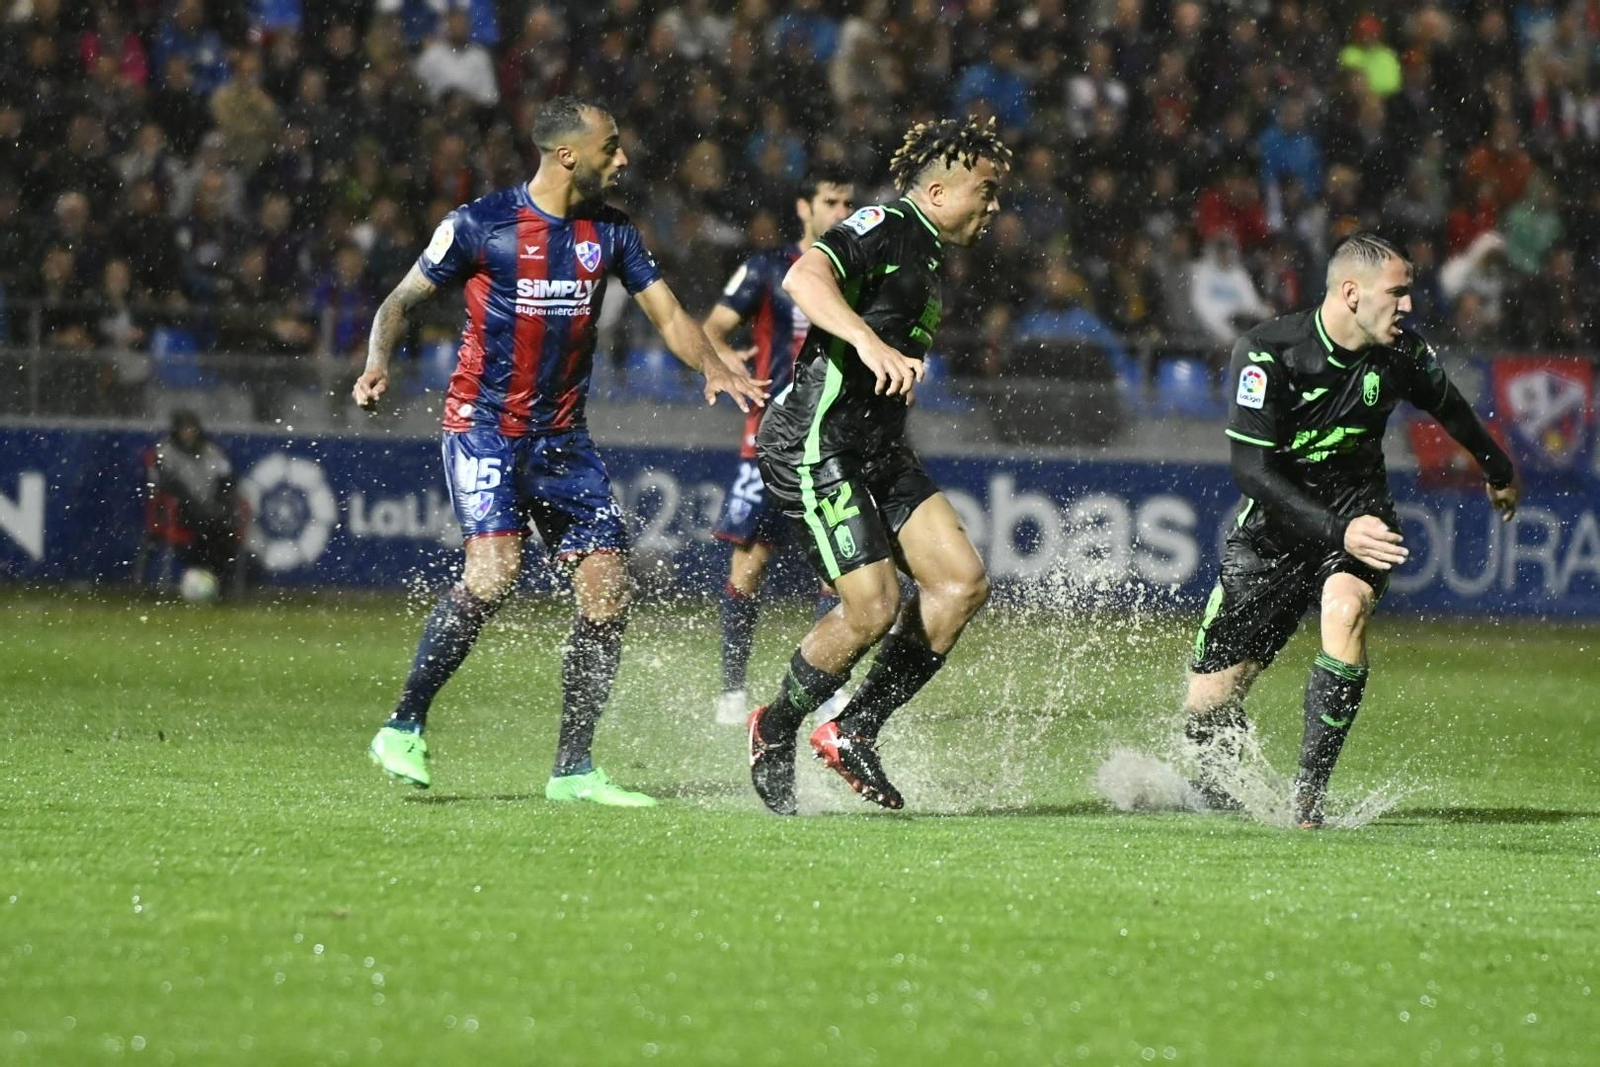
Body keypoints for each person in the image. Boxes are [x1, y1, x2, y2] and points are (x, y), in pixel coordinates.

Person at [354, 96, 767, 804]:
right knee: (493, 573)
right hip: (482, 426)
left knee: (608, 589)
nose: (624, 159)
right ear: (568, 154)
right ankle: (402, 724)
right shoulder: (478, 225)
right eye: (612, 146)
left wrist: (715, 365)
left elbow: (668, 313)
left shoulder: (611, 232)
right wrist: (376, 363)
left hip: (564, 441)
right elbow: (398, 302)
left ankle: (573, 768)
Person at [1185, 233, 1519, 828]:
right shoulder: (1268, 352)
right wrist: (1336, 529)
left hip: (1362, 518)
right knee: (1208, 706)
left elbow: (1451, 408)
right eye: (1398, 292)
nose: (1410, 306)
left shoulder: (1402, 355)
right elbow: (1251, 470)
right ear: (1350, 293)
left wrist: (1498, 469)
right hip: (1275, 529)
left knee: (1346, 609)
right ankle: (1212, 788)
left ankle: (1306, 800)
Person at [746, 117, 1011, 814]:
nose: (994, 207)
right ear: (936, 189)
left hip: (878, 449)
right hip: (816, 441)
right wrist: (866, 341)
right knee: (873, 607)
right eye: (985, 191)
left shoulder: (925, 257)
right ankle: (772, 727)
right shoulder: (885, 224)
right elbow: (805, 276)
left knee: (961, 584)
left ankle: (853, 728)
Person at [703, 167, 856, 726]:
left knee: (837, 569)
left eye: (847, 202)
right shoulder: (767, 268)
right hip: (769, 438)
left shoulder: (859, 272)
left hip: (833, 438)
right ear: (804, 207)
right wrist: (723, 357)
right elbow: (714, 326)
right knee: (750, 561)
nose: (841, 212)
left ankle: (828, 690)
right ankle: (732, 695)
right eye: (831, 200)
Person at [145, 409, 244, 583]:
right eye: (184, 428)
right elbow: (166, 484)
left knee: (224, 527)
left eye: (192, 428)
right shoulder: (165, 452)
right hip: (178, 511)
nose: (188, 433)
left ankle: (219, 579)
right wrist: (191, 502)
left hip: (210, 507)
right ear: (176, 430)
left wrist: (221, 503)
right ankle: (204, 575)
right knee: (206, 525)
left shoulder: (211, 451)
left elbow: (226, 479)